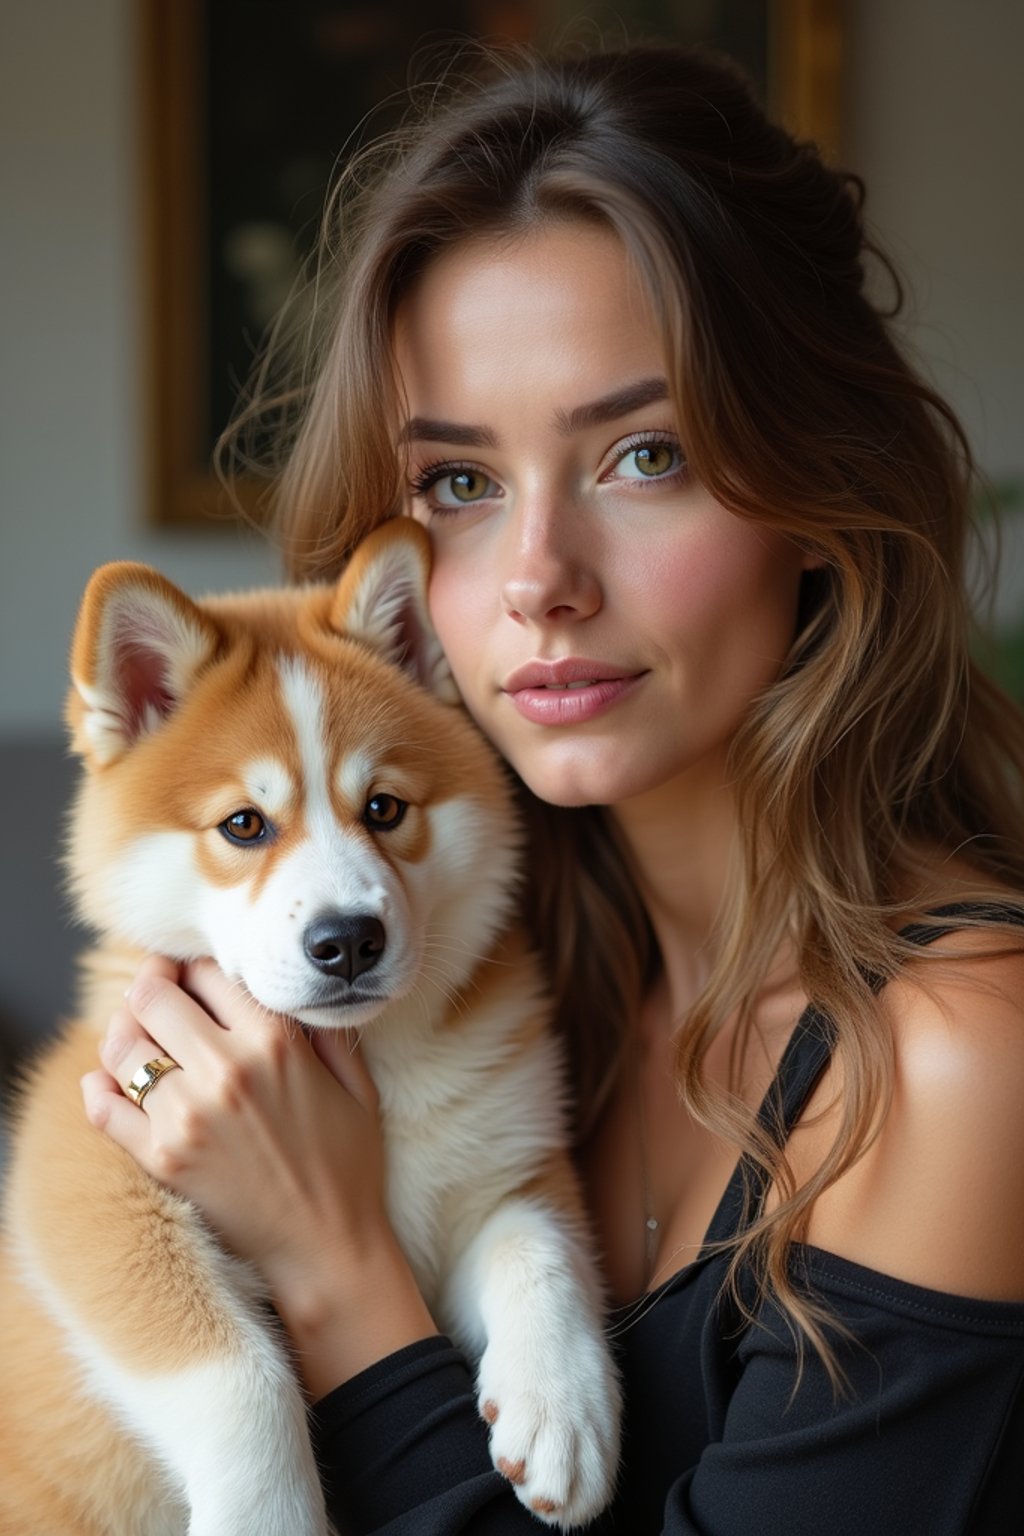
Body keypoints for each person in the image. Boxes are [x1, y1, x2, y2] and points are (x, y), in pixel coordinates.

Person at [80, 43, 1024, 1534]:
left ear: (821, 492)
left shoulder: (963, 1061)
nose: (537, 583)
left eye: (644, 454)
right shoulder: (495, 972)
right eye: (461, 484)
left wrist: (336, 1278)